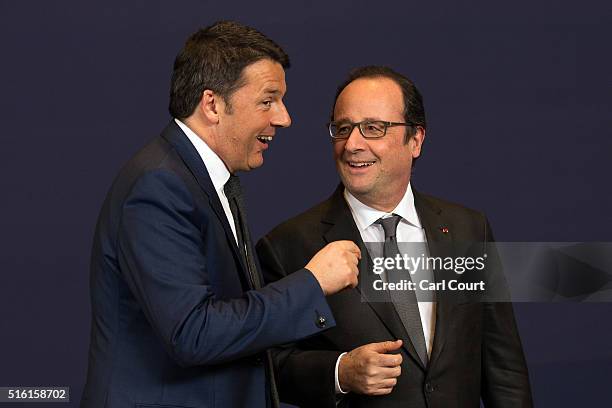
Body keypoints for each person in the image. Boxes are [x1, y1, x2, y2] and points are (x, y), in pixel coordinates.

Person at [81, 21, 360, 408]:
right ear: (212, 104)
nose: (284, 118)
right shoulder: (158, 186)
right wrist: (313, 283)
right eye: (268, 100)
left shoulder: (210, 179)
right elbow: (193, 333)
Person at [256, 66, 533, 407]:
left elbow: (504, 368)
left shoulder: (469, 229)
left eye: (373, 128)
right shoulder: (287, 246)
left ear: (415, 140)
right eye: (343, 129)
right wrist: (340, 373)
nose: (353, 145)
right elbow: (268, 366)